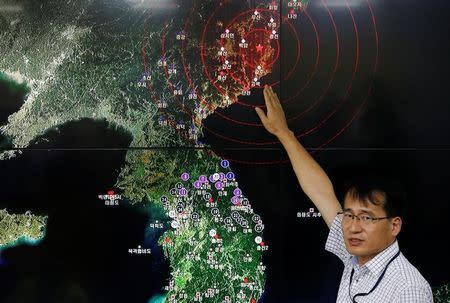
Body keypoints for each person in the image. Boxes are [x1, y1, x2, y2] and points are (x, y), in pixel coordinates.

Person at [255, 85, 433, 302]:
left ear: (394, 225)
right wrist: (283, 133)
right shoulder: (355, 256)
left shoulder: (408, 289)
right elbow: (321, 192)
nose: (353, 226)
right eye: (349, 215)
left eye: (367, 217)